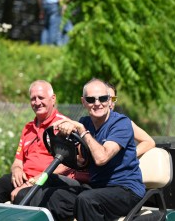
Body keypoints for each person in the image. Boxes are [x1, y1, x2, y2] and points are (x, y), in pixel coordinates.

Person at [27, 78, 145, 221]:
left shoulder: (121, 123)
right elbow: (81, 161)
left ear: (109, 100)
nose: (97, 103)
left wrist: (82, 131)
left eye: (102, 98)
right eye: (91, 99)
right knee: (53, 196)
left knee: (87, 200)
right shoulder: (85, 122)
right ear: (83, 102)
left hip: (127, 190)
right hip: (97, 188)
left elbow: (102, 158)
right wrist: (61, 143)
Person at [0, 80, 73, 203]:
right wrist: (17, 169)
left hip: (49, 180)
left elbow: (66, 166)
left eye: (41, 97)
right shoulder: (28, 128)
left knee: (22, 195)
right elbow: (18, 160)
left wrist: (34, 181)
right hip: (26, 178)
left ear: (53, 99)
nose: (37, 102)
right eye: (33, 98)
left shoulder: (64, 125)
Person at [106, 82, 155, 157]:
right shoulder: (87, 122)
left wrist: (129, 157)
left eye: (113, 99)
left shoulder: (123, 122)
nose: (110, 103)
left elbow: (149, 142)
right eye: (106, 98)